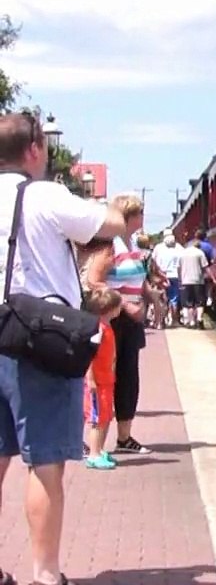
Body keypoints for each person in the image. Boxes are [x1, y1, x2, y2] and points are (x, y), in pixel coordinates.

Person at [0, 112, 130, 585]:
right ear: (34, 148)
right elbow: (111, 222)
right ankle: (45, 574)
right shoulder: (45, 196)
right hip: (38, 344)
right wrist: (113, 206)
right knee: (45, 464)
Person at [80, 193, 152, 457]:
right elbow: (94, 281)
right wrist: (125, 305)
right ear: (128, 216)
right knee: (101, 377)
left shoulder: (131, 242)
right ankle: (90, 440)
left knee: (129, 377)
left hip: (130, 322)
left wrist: (150, 295)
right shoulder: (110, 245)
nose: (144, 218)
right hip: (112, 319)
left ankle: (124, 438)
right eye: (140, 213)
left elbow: (136, 276)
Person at [81, 288, 122, 471]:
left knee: (105, 416)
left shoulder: (106, 327)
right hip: (97, 381)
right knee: (97, 418)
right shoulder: (98, 329)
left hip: (107, 379)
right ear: (111, 309)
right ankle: (94, 454)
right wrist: (90, 379)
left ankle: (100, 449)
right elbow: (88, 355)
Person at [151, 230, 181, 326]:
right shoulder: (179, 247)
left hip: (161, 276)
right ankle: (174, 321)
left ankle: (162, 321)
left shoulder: (158, 247)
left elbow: (153, 261)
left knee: (162, 300)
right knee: (174, 299)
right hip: (175, 276)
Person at [177, 237, 209, 328]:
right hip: (198, 281)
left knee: (189, 303)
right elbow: (205, 267)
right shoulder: (200, 253)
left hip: (185, 281)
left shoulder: (182, 253)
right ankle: (199, 319)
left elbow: (178, 268)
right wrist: (211, 278)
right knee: (200, 302)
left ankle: (191, 322)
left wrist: (180, 279)